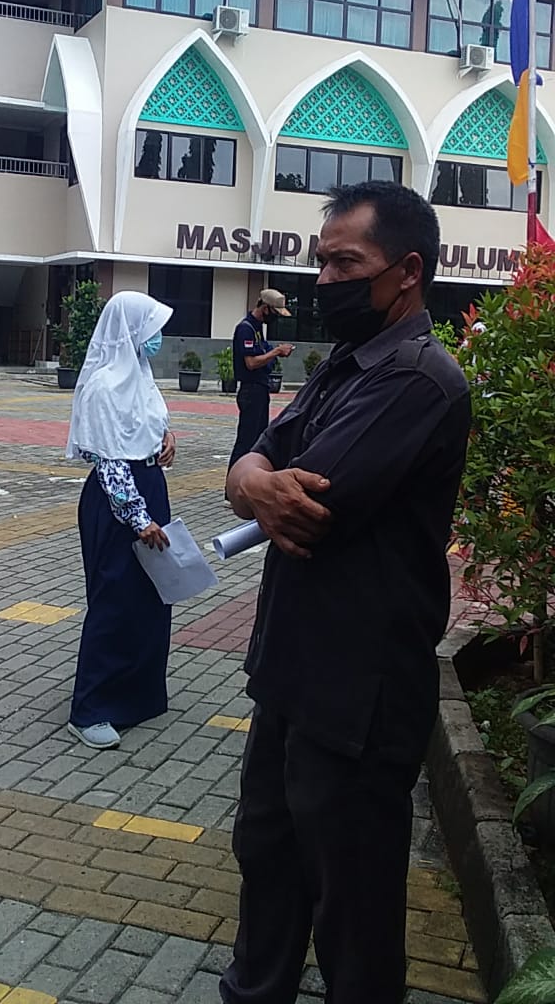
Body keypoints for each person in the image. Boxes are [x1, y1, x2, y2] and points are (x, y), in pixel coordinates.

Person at [221, 182, 471, 1004]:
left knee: (352, 908)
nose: (324, 279)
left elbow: (311, 504)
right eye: (321, 261)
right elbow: (256, 466)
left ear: (408, 271)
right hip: (291, 671)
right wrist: (251, 478)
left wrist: (257, 479)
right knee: (267, 857)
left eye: (345, 263)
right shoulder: (344, 366)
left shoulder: (419, 380)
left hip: (360, 692)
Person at [65, 290, 176, 751]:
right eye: (151, 328)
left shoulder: (140, 374)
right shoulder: (104, 386)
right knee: (115, 601)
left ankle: (136, 695)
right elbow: (109, 459)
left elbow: (149, 425)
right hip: (119, 503)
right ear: (130, 330)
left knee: (151, 597)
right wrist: (137, 516)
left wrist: (167, 439)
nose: (157, 338)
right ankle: (90, 709)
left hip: (149, 487)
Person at [227, 289, 294, 473]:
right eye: (274, 313)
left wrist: (274, 353)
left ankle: (247, 479)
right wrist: (276, 352)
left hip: (260, 389)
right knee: (246, 441)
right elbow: (251, 363)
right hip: (251, 390)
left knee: (257, 439)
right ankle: (232, 484)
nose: (275, 318)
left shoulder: (257, 328)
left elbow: (262, 355)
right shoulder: (246, 328)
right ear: (265, 308)